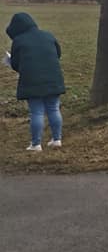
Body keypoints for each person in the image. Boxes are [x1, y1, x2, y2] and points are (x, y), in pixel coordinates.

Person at [5, 12, 65, 151]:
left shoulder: (18, 41)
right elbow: (58, 54)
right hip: (53, 78)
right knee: (54, 109)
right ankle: (57, 139)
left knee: (36, 112)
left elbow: (15, 64)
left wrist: (10, 61)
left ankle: (36, 144)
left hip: (31, 81)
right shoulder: (48, 35)